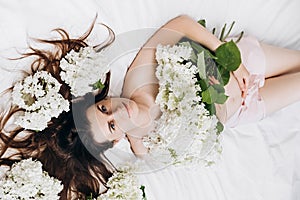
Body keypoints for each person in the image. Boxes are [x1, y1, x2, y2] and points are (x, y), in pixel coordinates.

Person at [0, 14, 299, 199]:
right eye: (112, 124)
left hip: (241, 64)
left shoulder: (137, 77)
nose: (117, 111)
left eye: (104, 109)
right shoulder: (144, 147)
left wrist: (224, 54)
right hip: (244, 110)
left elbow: (180, 24)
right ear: (117, 139)